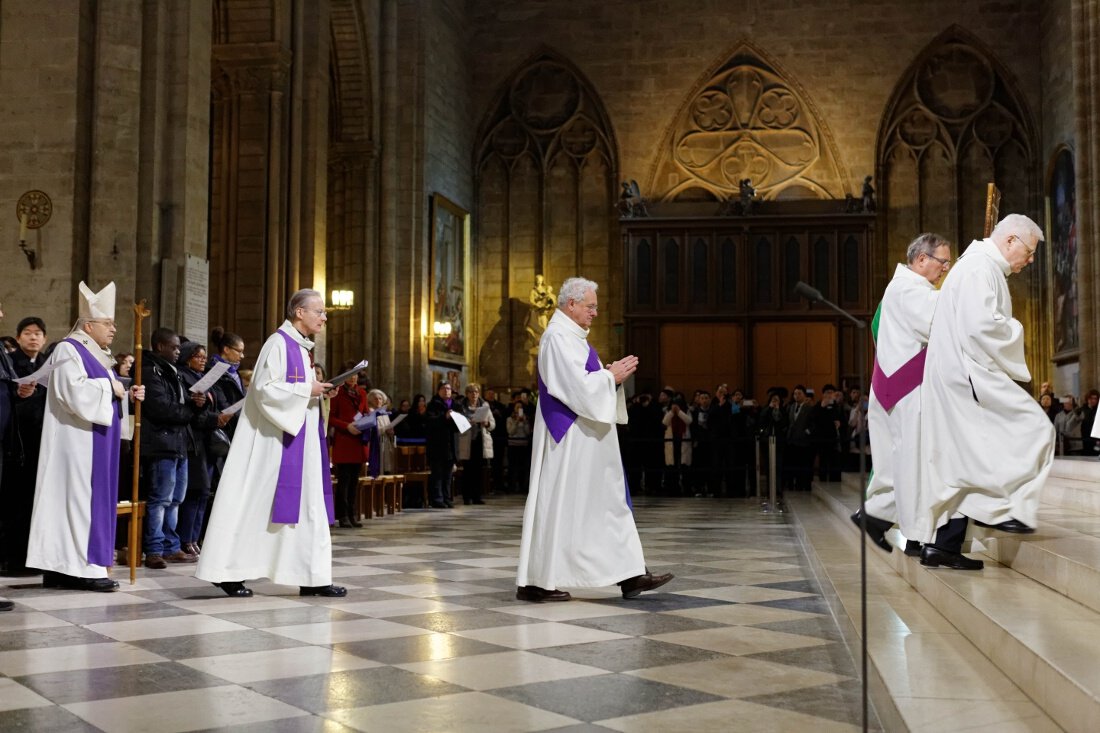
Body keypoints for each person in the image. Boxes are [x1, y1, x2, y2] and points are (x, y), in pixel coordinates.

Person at [516, 277, 673, 602]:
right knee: (565, 506)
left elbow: (587, 383)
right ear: (570, 304)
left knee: (606, 506)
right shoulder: (557, 337)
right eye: (590, 306)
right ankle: (537, 581)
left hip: (589, 439)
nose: (595, 313)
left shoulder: (574, 338)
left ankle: (630, 575)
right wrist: (609, 376)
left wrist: (608, 377)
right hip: (570, 440)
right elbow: (574, 388)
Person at [195, 289, 344, 599]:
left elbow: (295, 390)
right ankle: (226, 572)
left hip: (299, 442)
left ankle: (312, 575)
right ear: (299, 312)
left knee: (308, 507)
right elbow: (264, 390)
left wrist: (319, 392)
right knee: (253, 505)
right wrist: (308, 388)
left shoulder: (301, 348)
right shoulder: (278, 344)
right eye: (319, 311)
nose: (324, 317)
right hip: (273, 445)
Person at [919, 215, 1055, 549]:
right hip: (967, 377)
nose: (1031, 259)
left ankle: (944, 545)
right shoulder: (980, 268)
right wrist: (1016, 329)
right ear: (1011, 240)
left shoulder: (979, 265)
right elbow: (980, 327)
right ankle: (1004, 509)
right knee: (1033, 427)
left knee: (963, 461)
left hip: (959, 376)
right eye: (1030, 250)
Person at [26, 282, 145, 592]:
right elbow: (72, 391)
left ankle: (68, 568)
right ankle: (79, 569)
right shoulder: (68, 348)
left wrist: (126, 392)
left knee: (82, 503)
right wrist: (111, 388)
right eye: (108, 323)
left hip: (92, 442)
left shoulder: (97, 354)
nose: (114, 329)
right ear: (88, 325)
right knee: (77, 503)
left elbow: (104, 391)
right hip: (75, 444)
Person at [853, 233, 954, 561]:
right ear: (922, 259)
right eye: (943, 262)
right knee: (917, 463)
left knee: (905, 463)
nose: (945, 269)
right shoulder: (911, 289)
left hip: (898, 388)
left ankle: (886, 520)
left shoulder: (899, 289)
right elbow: (941, 323)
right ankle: (912, 532)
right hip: (910, 390)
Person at [141, 328, 205, 569]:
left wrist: (196, 403)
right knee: (160, 498)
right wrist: (190, 410)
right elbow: (160, 408)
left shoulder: (172, 371)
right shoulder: (150, 371)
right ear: (160, 347)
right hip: (160, 443)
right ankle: (155, 549)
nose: (178, 351)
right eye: (174, 347)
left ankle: (171, 546)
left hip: (178, 442)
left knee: (176, 498)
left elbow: (179, 404)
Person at [1, 316, 50, 573]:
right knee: (14, 502)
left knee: (35, 501)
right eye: (28, 333)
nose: (33, 337)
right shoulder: (10, 363)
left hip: (42, 440)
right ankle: (12, 559)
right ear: (18, 337)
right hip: (17, 442)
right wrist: (19, 396)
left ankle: (33, 557)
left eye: (38, 333)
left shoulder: (46, 364)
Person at [175, 342, 229, 555]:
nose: (203, 360)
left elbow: (212, 404)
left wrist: (222, 416)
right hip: (193, 441)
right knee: (195, 491)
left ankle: (195, 538)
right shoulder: (185, 377)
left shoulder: (206, 379)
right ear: (188, 358)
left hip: (208, 442)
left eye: (204, 356)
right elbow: (194, 414)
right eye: (198, 356)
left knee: (204, 492)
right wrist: (216, 418)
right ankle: (186, 538)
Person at [328, 361, 368, 527]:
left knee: (354, 481)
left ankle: (353, 514)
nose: (353, 378)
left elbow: (364, 412)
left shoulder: (362, 393)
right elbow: (330, 417)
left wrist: (367, 420)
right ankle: (342, 515)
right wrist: (347, 426)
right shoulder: (337, 392)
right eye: (350, 374)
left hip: (358, 441)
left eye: (356, 374)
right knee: (344, 481)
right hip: (344, 441)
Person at [424, 381, 460, 508]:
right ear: (438, 391)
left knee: (448, 475)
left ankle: (447, 498)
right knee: (437, 474)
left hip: (451, 445)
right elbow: (429, 422)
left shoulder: (455, 405)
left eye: (449, 389)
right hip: (437, 446)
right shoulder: (433, 405)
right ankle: (437, 499)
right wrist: (444, 417)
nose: (447, 391)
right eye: (444, 388)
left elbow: (457, 425)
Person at [457, 383, 494, 505]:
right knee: (467, 470)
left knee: (478, 470)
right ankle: (467, 497)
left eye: (476, 392)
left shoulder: (484, 405)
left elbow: (493, 424)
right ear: (467, 394)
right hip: (467, 441)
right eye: (472, 392)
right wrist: (467, 422)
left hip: (480, 441)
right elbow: (457, 424)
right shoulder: (461, 406)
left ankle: (477, 496)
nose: (474, 394)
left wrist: (487, 423)